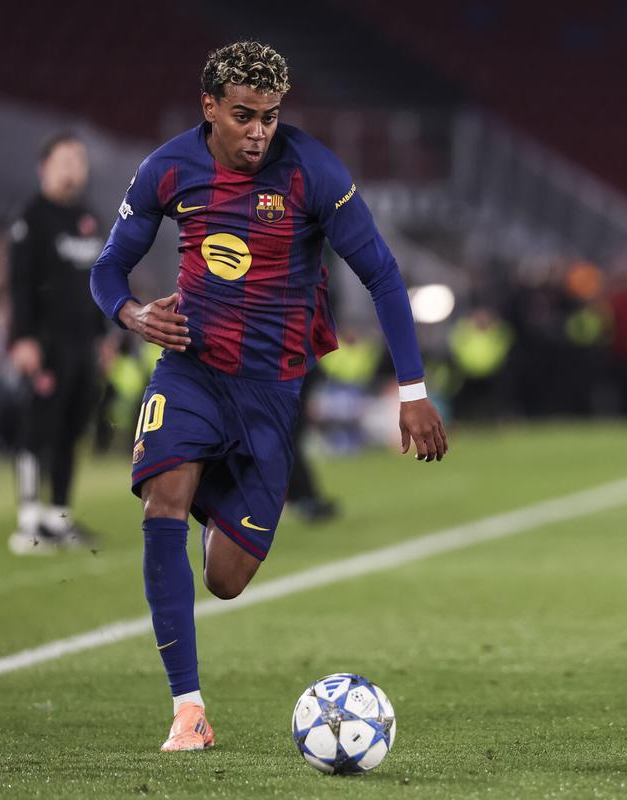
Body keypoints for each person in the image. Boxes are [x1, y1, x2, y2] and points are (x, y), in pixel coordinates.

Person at [89, 41, 448, 752]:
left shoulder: (314, 170)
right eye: (244, 116)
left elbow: (382, 274)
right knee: (163, 502)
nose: (259, 132)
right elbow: (108, 269)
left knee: (225, 579)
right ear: (210, 108)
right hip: (191, 369)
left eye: (271, 116)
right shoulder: (167, 168)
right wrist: (131, 314)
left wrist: (413, 390)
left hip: (272, 393)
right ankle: (188, 710)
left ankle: (206, 485)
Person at [8, 133, 108, 553]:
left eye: (79, 160)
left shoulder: (89, 219)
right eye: (64, 159)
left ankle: (58, 517)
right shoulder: (31, 218)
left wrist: (103, 337)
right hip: (46, 342)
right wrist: (23, 338)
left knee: (71, 430)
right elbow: (20, 284)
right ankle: (29, 520)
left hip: (84, 344)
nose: (73, 167)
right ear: (43, 167)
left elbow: (99, 282)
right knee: (38, 428)